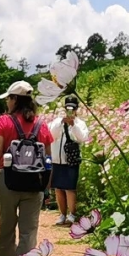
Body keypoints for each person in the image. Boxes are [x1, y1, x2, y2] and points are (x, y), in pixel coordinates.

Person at [0, 80, 53, 256]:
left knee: (6, 228)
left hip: (9, 182)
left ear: (15, 100)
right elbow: (49, 160)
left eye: (8, 98)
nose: (7, 102)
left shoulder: (4, 122)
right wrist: (47, 188)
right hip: (34, 186)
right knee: (28, 233)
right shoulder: (42, 125)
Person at [48, 96, 89, 225]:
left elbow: (82, 138)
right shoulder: (57, 122)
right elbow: (50, 135)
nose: (70, 110)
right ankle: (62, 214)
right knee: (58, 188)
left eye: (73, 108)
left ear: (77, 109)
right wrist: (61, 123)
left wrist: (73, 125)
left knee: (70, 188)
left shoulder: (80, 123)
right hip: (57, 160)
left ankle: (72, 214)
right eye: (68, 108)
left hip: (71, 160)